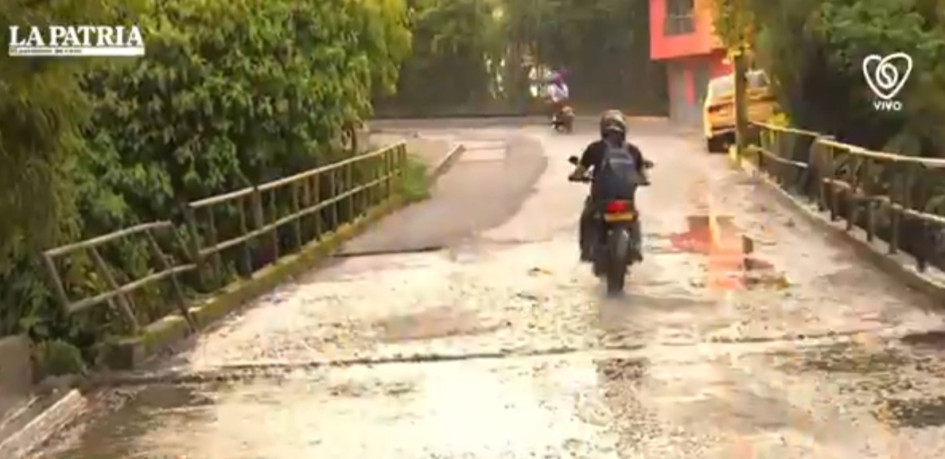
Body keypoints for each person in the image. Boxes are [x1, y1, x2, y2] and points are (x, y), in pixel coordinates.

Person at [569, 110, 650, 262]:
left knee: (587, 216)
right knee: (633, 217)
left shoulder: (595, 148)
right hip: (626, 199)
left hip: (601, 199)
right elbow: (644, 177)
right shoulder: (633, 151)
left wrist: (576, 177)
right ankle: (636, 249)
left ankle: (586, 252)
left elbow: (579, 171)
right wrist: (642, 181)